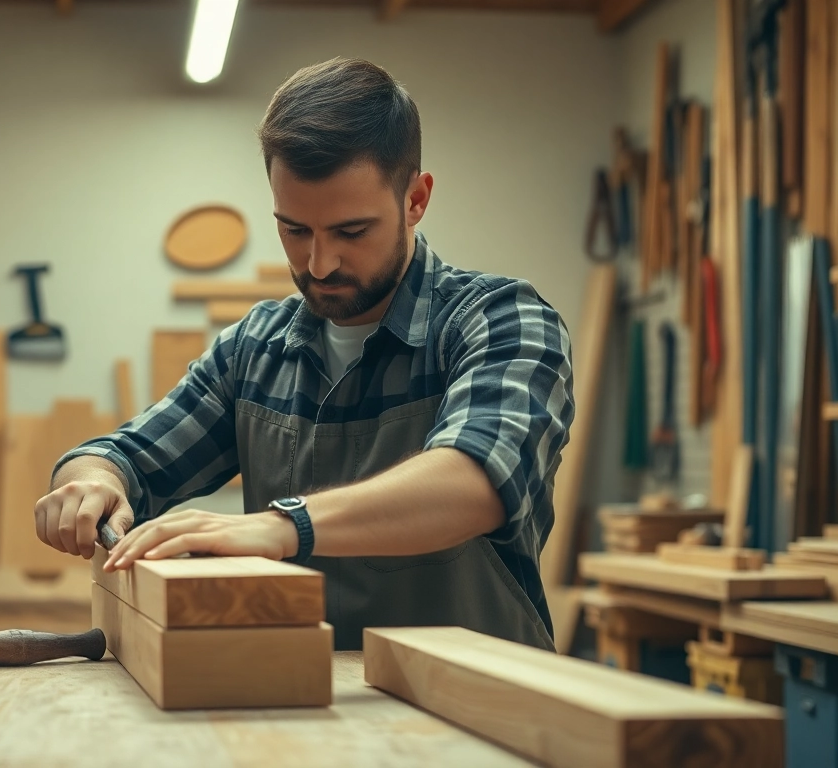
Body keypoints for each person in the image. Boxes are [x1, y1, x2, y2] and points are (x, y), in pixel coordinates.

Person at [35, 57, 573, 651]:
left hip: (482, 712)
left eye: (351, 232)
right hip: (301, 704)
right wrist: (90, 483)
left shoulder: (500, 320)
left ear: (416, 199)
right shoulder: (254, 349)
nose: (319, 265)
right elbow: (121, 458)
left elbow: (475, 480)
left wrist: (283, 526)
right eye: (294, 230)